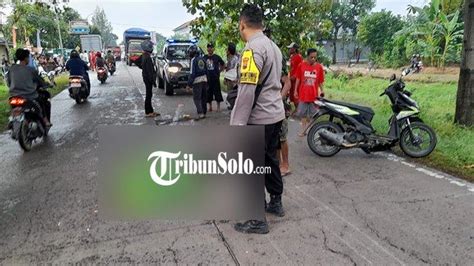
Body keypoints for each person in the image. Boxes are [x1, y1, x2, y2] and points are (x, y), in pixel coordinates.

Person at [231, 4, 286, 234]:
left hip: (259, 118)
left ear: (242, 24)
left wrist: (237, 125)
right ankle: (276, 202)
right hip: (275, 115)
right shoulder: (274, 47)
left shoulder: (252, 50)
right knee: (271, 159)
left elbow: (246, 91)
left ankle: (257, 219)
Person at [7, 48, 51, 127]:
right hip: (29, 96)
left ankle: (12, 122)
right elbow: (39, 81)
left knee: (13, 110)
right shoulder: (31, 70)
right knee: (41, 102)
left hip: (14, 96)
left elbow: (9, 82)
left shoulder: (12, 69)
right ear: (26, 58)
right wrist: (46, 85)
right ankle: (45, 120)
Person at [294, 48, 325, 137]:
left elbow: (320, 81)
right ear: (307, 56)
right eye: (311, 57)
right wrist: (295, 90)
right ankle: (303, 130)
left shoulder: (319, 67)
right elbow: (298, 79)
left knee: (312, 115)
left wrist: (322, 90)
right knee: (303, 114)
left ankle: (310, 130)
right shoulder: (301, 65)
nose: (313, 59)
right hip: (303, 94)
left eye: (315, 57)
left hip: (314, 95)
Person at [137, 40, 159, 117]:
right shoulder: (147, 57)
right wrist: (153, 81)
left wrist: (142, 67)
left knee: (149, 94)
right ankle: (148, 112)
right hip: (148, 78)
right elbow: (150, 71)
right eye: (151, 47)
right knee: (148, 95)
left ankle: (150, 111)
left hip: (145, 77)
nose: (152, 48)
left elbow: (136, 62)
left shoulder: (143, 55)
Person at [186, 45, 208, 120]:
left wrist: (189, 84)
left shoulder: (193, 60)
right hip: (204, 79)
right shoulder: (203, 59)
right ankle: (204, 112)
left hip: (197, 81)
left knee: (197, 98)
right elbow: (207, 70)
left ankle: (200, 113)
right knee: (203, 97)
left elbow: (192, 73)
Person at [203, 43, 225, 112]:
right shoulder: (204, 57)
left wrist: (219, 71)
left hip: (215, 77)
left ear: (213, 49)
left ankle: (218, 107)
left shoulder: (217, 57)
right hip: (208, 78)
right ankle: (210, 106)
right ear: (207, 49)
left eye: (211, 47)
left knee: (217, 92)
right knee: (209, 92)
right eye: (208, 47)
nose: (210, 49)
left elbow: (223, 64)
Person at [288, 42, 303, 113]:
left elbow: (300, 68)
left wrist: (295, 76)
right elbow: (291, 68)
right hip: (291, 79)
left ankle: (298, 111)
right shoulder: (292, 57)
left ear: (294, 49)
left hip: (296, 79)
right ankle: (297, 110)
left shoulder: (299, 57)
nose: (289, 49)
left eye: (290, 48)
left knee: (296, 95)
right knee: (292, 96)